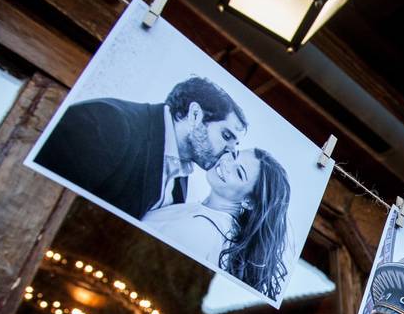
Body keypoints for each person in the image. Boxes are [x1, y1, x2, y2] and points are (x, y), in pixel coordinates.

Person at [35, 77, 247, 219]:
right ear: (194, 115)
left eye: (235, 144)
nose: (229, 152)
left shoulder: (181, 176)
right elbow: (44, 201)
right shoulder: (108, 122)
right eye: (226, 135)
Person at [142, 148, 292, 300]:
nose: (227, 164)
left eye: (239, 172)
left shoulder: (202, 230)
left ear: (248, 201)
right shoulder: (209, 218)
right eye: (234, 155)